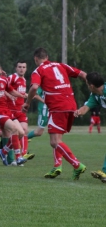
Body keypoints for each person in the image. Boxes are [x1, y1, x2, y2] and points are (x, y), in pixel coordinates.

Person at [22, 47, 87, 180]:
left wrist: (27, 102)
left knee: (54, 142)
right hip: (71, 104)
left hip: (58, 106)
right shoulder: (60, 65)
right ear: (47, 56)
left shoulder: (38, 70)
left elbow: (34, 87)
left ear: (36, 59)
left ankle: (77, 165)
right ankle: (57, 166)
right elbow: (82, 74)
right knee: (58, 139)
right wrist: (92, 88)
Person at [74, 72, 106, 183]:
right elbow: (86, 107)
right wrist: (78, 112)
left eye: (87, 84)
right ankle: (105, 172)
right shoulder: (95, 96)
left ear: (91, 85)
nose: (87, 86)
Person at [5, 61, 35, 162]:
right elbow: (3, 88)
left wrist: (26, 95)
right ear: (16, 68)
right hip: (11, 109)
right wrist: (10, 96)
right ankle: (10, 153)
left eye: (23, 67)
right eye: (19, 67)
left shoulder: (24, 80)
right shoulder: (12, 77)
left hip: (20, 109)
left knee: (24, 131)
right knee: (17, 131)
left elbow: (20, 92)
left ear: (26, 69)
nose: (21, 69)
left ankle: (22, 154)